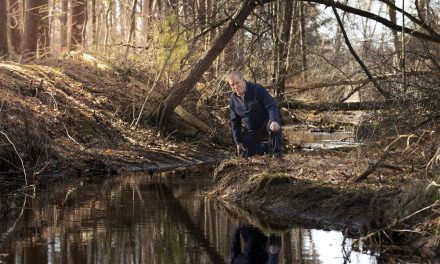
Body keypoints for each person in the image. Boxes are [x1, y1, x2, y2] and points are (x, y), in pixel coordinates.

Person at [227, 72, 282, 158]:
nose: (235, 87)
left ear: (243, 79)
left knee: (275, 128)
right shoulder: (233, 100)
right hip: (252, 129)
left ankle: (277, 156)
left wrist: (273, 120)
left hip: (266, 123)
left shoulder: (257, 89)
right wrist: (238, 141)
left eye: (237, 82)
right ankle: (267, 147)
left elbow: (271, 105)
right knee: (243, 154)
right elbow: (235, 122)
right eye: (232, 85)